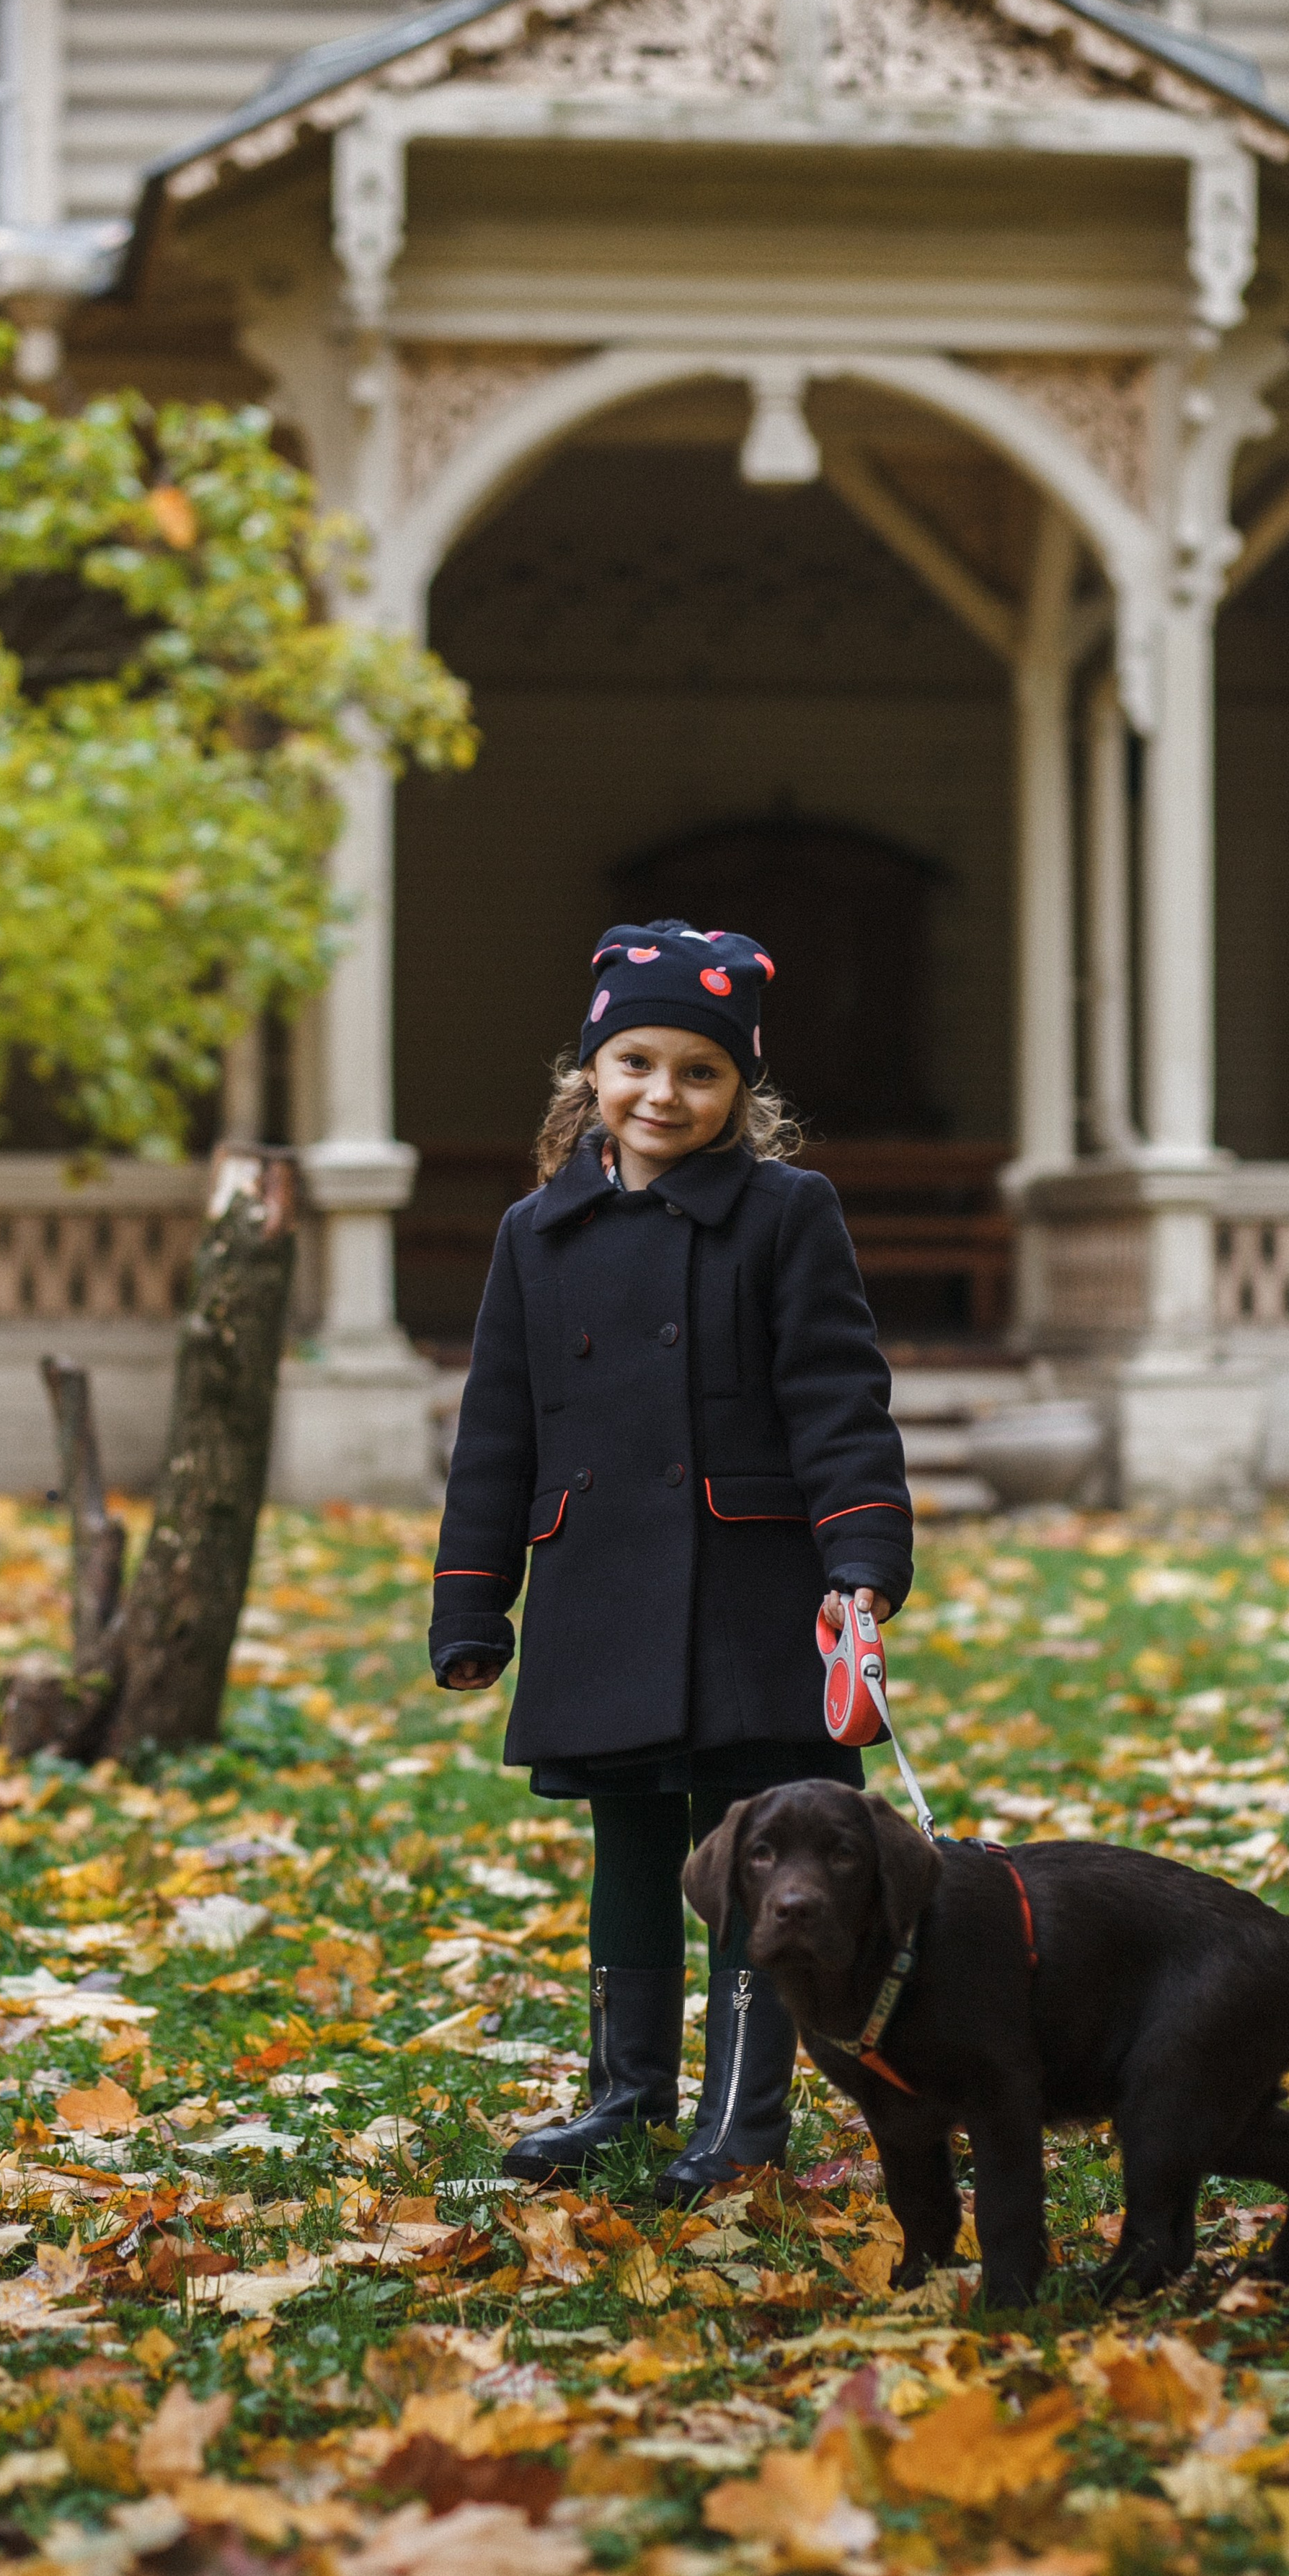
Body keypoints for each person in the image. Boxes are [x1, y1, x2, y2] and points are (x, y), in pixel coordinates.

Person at [428, 918, 913, 2201]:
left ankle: (741, 2123)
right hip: (601, 1590)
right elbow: (498, 1429)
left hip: (751, 1595)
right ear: (590, 1071)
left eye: (700, 1072)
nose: (664, 1093)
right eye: (636, 1061)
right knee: (630, 1850)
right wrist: (474, 1602)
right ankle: (625, 2095)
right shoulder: (538, 1231)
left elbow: (838, 1399)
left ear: (740, 1092)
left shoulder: (785, 1213)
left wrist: (860, 1562)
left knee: (764, 1860)